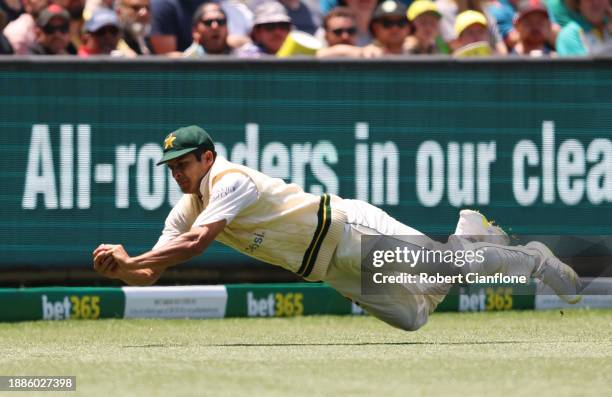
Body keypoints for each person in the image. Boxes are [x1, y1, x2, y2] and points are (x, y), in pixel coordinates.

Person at [93, 125, 582, 332]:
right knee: (415, 318)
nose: (177, 173)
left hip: (349, 229)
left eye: (184, 163)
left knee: (449, 265)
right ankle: (469, 234)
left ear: (208, 157)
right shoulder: (186, 206)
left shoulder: (230, 179)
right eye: (171, 166)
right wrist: (122, 269)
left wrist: (134, 260)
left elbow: (195, 245)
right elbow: (149, 275)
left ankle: (535, 257)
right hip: (328, 267)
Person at [316, 6, 383, 57]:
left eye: (351, 31)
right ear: (326, 35)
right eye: (338, 31)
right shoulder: (314, 56)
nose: (345, 36)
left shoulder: (370, 51)